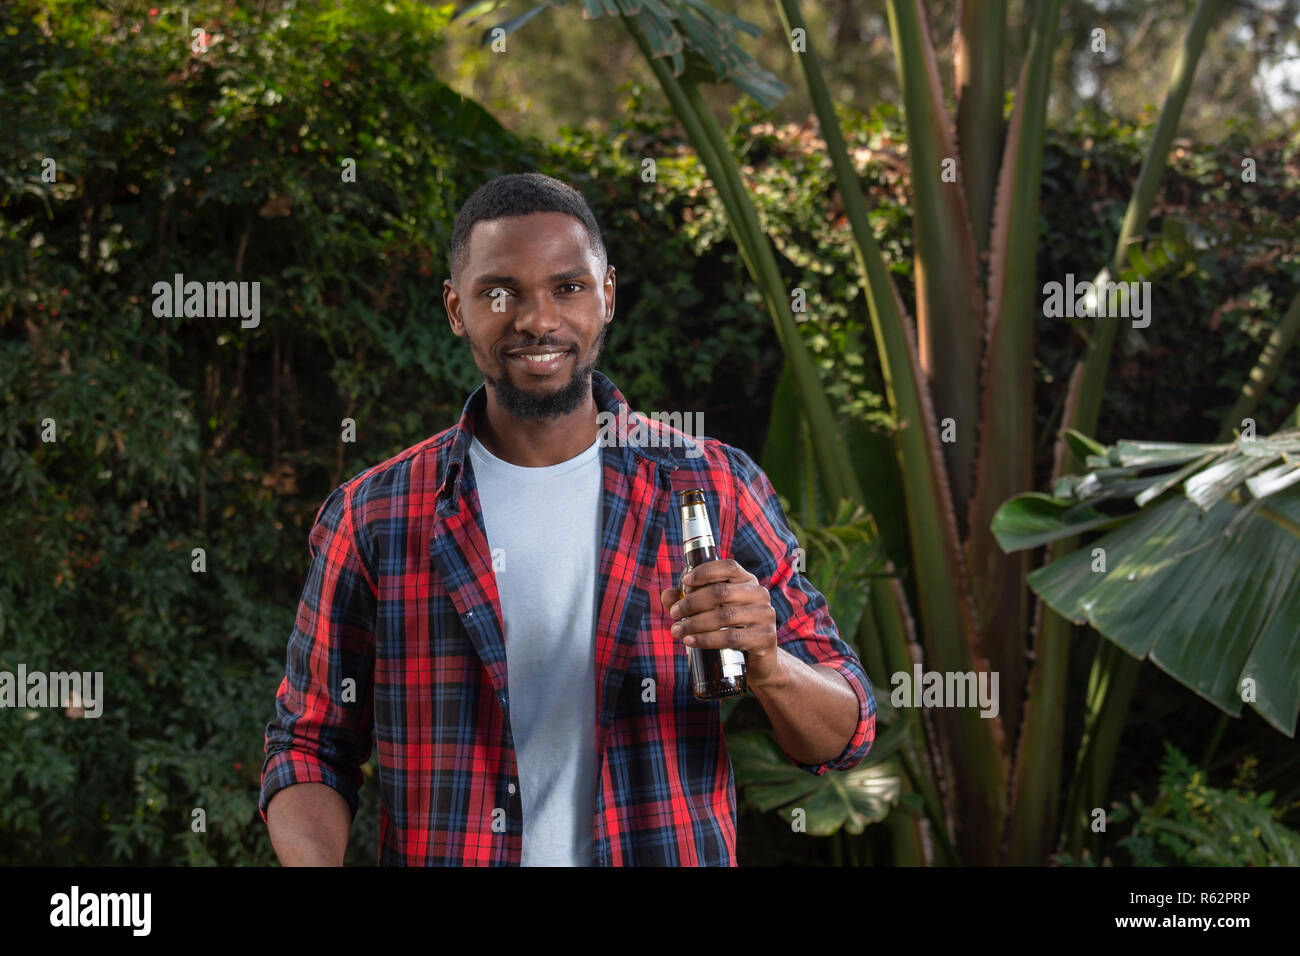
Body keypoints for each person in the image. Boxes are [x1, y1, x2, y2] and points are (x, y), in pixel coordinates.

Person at [259, 172, 876, 866]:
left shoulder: (712, 485)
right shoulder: (376, 515)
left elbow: (845, 731)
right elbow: (310, 744)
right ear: (456, 308)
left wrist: (768, 664)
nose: (537, 320)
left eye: (568, 287)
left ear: (607, 295)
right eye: (501, 292)